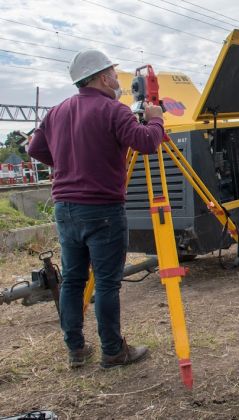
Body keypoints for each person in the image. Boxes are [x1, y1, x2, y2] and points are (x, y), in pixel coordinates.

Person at [28, 50, 165, 369]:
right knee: (106, 282)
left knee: (73, 280)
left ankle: (76, 350)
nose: (119, 81)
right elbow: (145, 142)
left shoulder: (56, 111)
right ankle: (113, 351)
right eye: (115, 75)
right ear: (102, 77)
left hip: (65, 208)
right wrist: (156, 119)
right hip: (102, 208)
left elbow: (35, 148)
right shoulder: (113, 110)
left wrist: (66, 164)